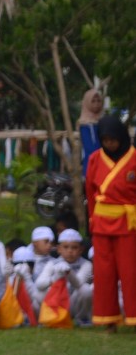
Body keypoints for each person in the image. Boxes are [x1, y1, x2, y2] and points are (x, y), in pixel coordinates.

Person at [85, 114, 136, 328]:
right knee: (104, 273)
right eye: (105, 140)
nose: (109, 144)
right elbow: (89, 190)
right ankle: (107, 318)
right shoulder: (95, 158)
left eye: (113, 140)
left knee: (130, 271)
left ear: (121, 137)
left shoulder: (134, 157)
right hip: (101, 222)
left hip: (128, 222)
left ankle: (133, 317)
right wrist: (90, 219)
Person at [35, 228, 92, 325]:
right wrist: (55, 278)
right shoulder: (52, 263)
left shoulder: (86, 264)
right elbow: (39, 284)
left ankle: (81, 318)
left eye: (74, 248)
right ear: (59, 249)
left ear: (81, 250)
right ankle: (50, 316)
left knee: (86, 289)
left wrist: (69, 272)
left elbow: (78, 284)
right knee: (40, 294)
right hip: (58, 302)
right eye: (66, 247)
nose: (70, 251)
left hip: (74, 303)